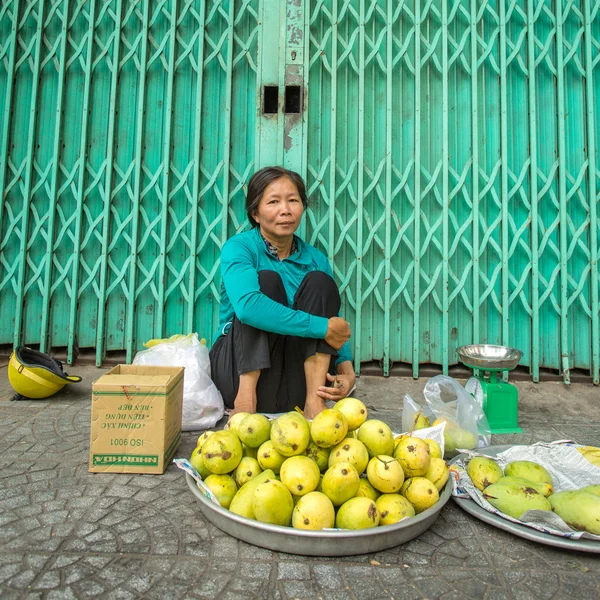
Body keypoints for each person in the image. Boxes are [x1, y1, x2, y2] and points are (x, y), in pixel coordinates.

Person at [209, 166, 356, 419]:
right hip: (238, 373)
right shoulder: (239, 248)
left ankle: (314, 404)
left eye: (293, 200)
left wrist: (347, 370)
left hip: (295, 380)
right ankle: (245, 404)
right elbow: (248, 307)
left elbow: (334, 325)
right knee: (265, 283)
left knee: (321, 283)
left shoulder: (315, 258)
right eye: (273, 202)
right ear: (255, 213)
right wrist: (320, 326)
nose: (285, 210)